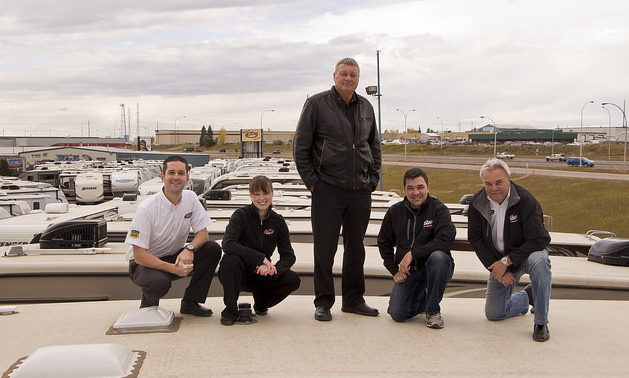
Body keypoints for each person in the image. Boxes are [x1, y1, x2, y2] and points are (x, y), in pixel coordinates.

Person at [293, 57, 382, 321]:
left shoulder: (366, 107)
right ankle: (323, 302)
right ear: (334, 76)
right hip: (327, 189)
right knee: (325, 248)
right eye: (344, 74)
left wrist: (373, 178)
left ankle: (353, 300)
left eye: (353, 75)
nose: (348, 79)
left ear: (358, 79)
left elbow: (374, 146)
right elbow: (301, 148)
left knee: (356, 247)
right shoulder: (316, 105)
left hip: (359, 191)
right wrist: (314, 183)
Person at [125, 155, 222, 316]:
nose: (176, 177)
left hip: (174, 256)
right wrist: (173, 269)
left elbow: (203, 235)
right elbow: (139, 256)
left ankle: (190, 302)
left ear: (187, 178)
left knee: (212, 249)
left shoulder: (191, 199)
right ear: (162, 177)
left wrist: (189, 249)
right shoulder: (146, 209)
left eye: (181, 173)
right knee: (159, 282)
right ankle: (148, 308)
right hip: (144, 265)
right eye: (171, 173)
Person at [467, 158, 552, 342]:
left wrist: (507, 261)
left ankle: (541, 323)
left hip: (526, 256)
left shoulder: (525, 200)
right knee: (494, 313)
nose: (493, 188)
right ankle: (527, 297)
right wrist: (495, 267)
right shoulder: (477, 203)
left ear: (509, 180)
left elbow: (540, 239)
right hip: (500, 261)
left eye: (499, 182)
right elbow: (476, 239)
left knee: (541, 262)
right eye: (488, 184)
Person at [377, 168, 456, 329]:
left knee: (439, 258)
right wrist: (394, 270)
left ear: (428, 187)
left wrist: (412, 254)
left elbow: (446, 240)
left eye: (420, 187)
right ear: (404, 190)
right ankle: (424, 299)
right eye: (410, 188)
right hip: (410, 272)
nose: (416, 192)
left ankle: (433, 311)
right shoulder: (395, 212)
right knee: (397, 314)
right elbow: (383, 242)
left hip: (435, 268)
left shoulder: (439, 210)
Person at [218, 175, 301, 325]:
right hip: (240, 273)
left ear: (272, 193)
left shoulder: (278, 221)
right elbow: (228, 244)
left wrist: (273, 268)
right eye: (256, 194)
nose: (261, 198)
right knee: (230, 260)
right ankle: (230, 310)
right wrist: (260, 258)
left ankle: (262, 304)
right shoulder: (240, 216)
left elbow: (289, 256)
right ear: (250, 195)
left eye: (265, 193)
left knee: (293, 279)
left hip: (262, 274)